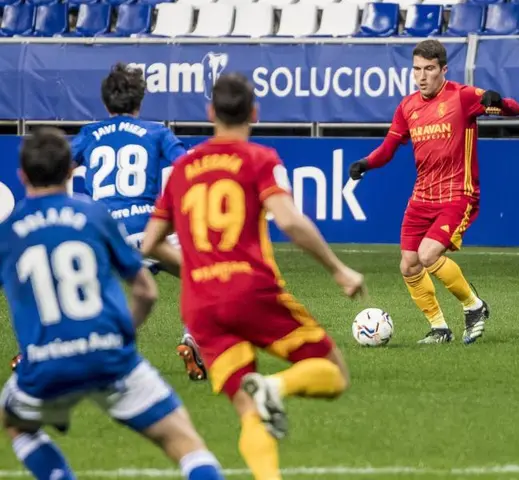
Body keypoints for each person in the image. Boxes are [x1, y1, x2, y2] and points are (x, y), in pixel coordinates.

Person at [140, 72, 366, 480]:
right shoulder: (260, 159)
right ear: (255, 113)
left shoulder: (184, 168)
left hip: (201, 305)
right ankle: (275, 388)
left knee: (247, 413)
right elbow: (290, 222)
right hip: (250, 290)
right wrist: (339, 270)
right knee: (334, 374)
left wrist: (198, 270)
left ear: (210, 112)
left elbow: (151, 244)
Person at [0, 128, 224, 480]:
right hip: (109, 357)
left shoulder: (8, 231)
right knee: (186, 444)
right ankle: (194, 333)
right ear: (71, 171)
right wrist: (123, 334)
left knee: (15, 424)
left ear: (22, 175)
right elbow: (146, 292)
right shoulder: (92, 215)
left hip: (43, 365)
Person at [349, 39, 519, 346]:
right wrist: (366, 163)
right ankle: (439, 328)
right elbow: (389, 148)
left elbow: (514, 109)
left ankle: (474, 306)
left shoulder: (463, 96)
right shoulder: (407, 107)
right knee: (409, 263)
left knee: (428, 255)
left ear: (443, 69)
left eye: (429, 69)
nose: (422, 76)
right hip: (421, 197)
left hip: (458, 193)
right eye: (417, 69)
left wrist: (499, 101)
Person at [69, 62, 206, 381]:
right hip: (148, 231)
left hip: (104, 234)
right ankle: (193, 341)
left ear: (105, 103)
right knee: (200, 276)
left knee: (76, 289)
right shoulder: (156, 131)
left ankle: (43, 350)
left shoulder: (90, 134)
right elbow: (187, 169)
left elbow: (55, 169)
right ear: (140, 102)